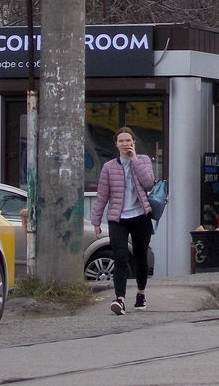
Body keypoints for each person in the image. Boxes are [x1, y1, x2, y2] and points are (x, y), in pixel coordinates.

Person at [92, 126, 156, 315]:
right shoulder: (109, 167)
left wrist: (134, 159)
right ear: (116, 144)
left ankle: (141, 293)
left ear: (133, 143)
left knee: (140, 256)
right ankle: (119, 299)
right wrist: (96, 221)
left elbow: (149, 183)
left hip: (140, 217)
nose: (125, 143)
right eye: (121, 141)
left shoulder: (143, 160)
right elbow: (102, 195)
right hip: (118, 218)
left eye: (128, 140)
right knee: (120, 257)